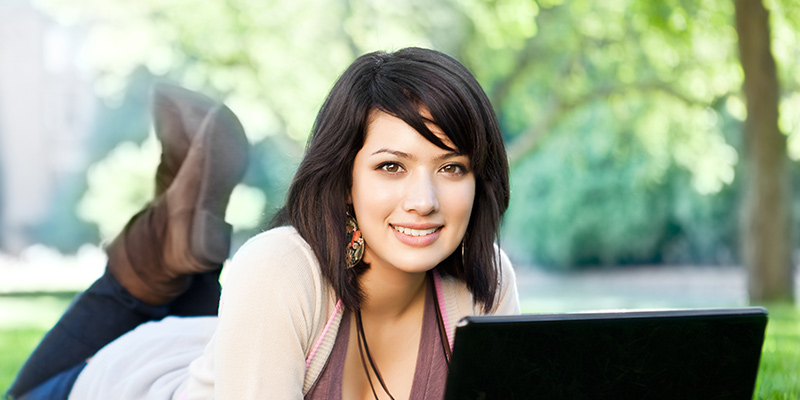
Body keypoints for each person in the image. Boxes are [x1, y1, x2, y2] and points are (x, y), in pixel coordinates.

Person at [7, 47, 519, 400]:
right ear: (345, 180)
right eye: (391, 167)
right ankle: (151, 259)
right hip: (135, 380)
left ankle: (172, 247)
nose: (425, 201)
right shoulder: (280, 267)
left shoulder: (483, 278)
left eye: (452, 167)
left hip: (243, 350)